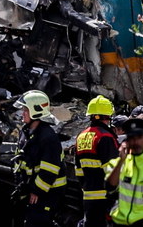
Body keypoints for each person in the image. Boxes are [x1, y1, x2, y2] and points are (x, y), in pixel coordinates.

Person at [13, 90, 67, 225]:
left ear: (36, 111)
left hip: (48, 191)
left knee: (37, 222)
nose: (22, 113)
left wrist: (37, 191)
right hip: (32, 188)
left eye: (25, 110)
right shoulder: (25, 132)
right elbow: (20, 160)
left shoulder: (48, 137)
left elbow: (50, 170)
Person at [76, 96, 119, 227]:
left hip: (88, 197)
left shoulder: (81, 136)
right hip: (106, 200)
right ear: (108, 116)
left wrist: (87, 188)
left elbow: (78, 171)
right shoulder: (105, 137)